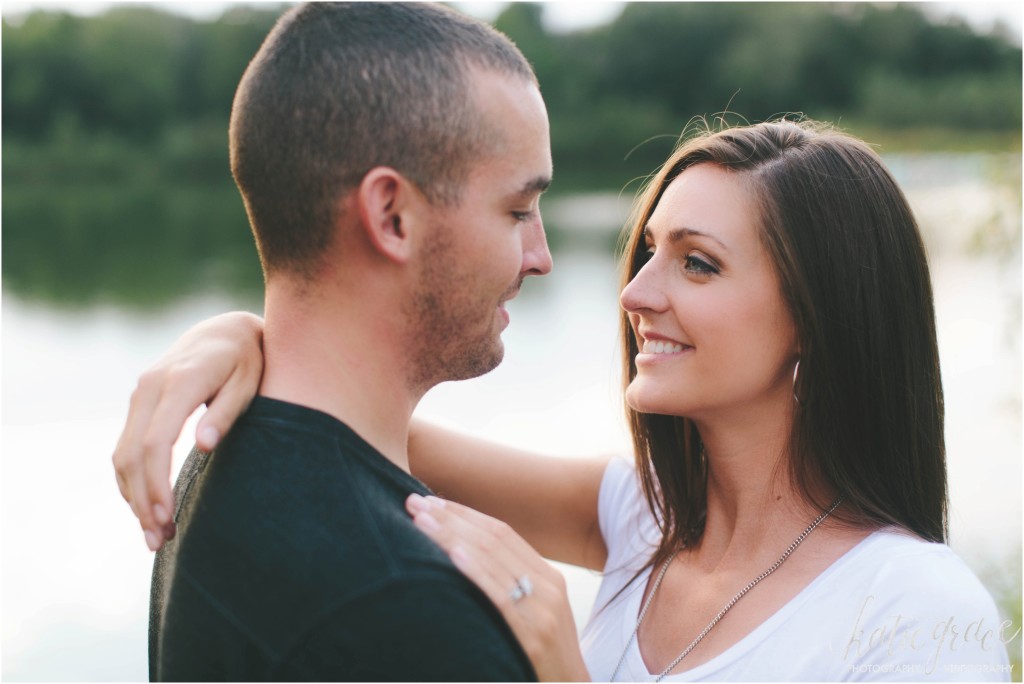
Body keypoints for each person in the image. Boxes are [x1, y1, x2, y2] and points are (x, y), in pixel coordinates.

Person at [115, 118, 1013, 680]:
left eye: (697, 264)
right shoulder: (641, 521)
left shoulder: (917, 612)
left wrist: (561, 674)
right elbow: (366, 420)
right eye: (650, 250)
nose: (637, 294)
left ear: (819, 319)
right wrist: (241, 334)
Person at [125, 2, 558, 680]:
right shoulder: (410, 609)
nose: (539, 257)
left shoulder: (230, 461)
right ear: (392, 216)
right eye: (518, 210)